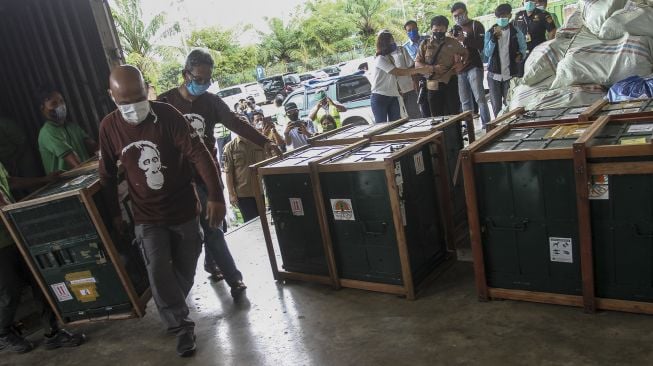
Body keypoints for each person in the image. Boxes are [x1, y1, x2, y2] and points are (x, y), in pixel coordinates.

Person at [99, 65, 225, 357]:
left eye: (138, 97)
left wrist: (216, 195)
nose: (132, 107)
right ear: (111, 96)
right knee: (157, 268)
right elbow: (106, 174)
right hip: (147, 216)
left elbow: (199, 155)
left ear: (148, 90)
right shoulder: (109, 127)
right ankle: (181, 325)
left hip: (183, 209)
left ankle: (172, 304)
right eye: (124, 102)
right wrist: (114, 214)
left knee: (187, 264)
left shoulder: (168, 116)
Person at [158, 49, 278, 293]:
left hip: (207, 173)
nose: (203, 84)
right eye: (198, 79)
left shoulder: (211, 102)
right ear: (185, 74)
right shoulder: (165, 104)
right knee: (211, 228)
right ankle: (234, 278)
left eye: (207, 80)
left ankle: (212, 264)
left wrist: (264, 142)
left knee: (217, 225)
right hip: (180, 179)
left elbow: (235, 122)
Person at [0, 164, 85, 353]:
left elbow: (9, 181)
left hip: (14, 231)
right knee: (9, 291)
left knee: (40, 281)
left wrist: (43, 180)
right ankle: (3, 334)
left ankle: (53, 333)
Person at [371, 30, 432, 123]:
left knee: (396, 124)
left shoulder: (389, 57)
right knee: (381, 125)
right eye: (391, 42)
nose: (393, 44)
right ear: (385, 44)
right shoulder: (380, 59)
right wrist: (420, 70)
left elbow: (394, 78)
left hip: (394, 95)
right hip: (380, 96)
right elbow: (398, 72)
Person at [415, 16, 469, 117]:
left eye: (441, 30)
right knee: (436, 116)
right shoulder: (425, 44)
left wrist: (461, 63)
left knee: (454, 113)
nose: (438, 32)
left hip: (450, 82)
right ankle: (441, 133)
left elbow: (465, 53)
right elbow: (417, 64)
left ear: (446, 29)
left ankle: (456, 132)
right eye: (435, 30)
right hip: (432, 83)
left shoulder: (453, 42)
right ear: (431, 29)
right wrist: (432, 68)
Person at [37, 87, 97, 174]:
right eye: (54, 103)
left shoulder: (73, 127)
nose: (60, 106)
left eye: (61, 101)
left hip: (85, 175)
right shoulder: (48, 132)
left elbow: (94, 147)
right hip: (66, 183)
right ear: (42, 108)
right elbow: (76, 164)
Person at [450, 2, 492, 127]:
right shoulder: (453, 29)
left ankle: (487, 125)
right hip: (460, 69)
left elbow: (481, 45)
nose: (458, 18)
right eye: (455, 16)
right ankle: (469, 129)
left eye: (460, 14)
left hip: (474, 65)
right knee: (465, 102)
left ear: (466, 12)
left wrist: (464, 39)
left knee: (479, 97)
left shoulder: (475, 25)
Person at [484, 4, 528, 116]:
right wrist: (493, 39)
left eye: (504, 16)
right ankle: (498, 127)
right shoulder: (490, 32)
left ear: (510, 15)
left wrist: (520, 55)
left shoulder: (516, 32)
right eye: (499, 16)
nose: (502, 18)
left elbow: (523, 49)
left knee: (511, 103)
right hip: (494, 75)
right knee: (496, 105)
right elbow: (487, 53)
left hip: (510, 74)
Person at [223, 132, 266, 222]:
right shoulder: (230, 147)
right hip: (243, 194)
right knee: (251, 222)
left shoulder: (259, 143)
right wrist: (231, 194)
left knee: (263, 220)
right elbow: (228, 172)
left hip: (260, 191)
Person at [403, 20, 431, 118]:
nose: (412, 32)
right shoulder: (405, 48)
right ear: (406, 32)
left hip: (433, 74)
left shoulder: (428, 39)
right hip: (419, 80)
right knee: (424, 105)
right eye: (409, 30)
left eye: (414, 29)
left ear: (417, 28)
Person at [391, 39, 421, 119]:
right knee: (400, 118)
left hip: (408, 87)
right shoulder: (380, 56)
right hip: (393, 92)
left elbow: (411, 65)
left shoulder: (401, 49)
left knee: (415, 115)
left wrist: (415, 82)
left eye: (390, 38)